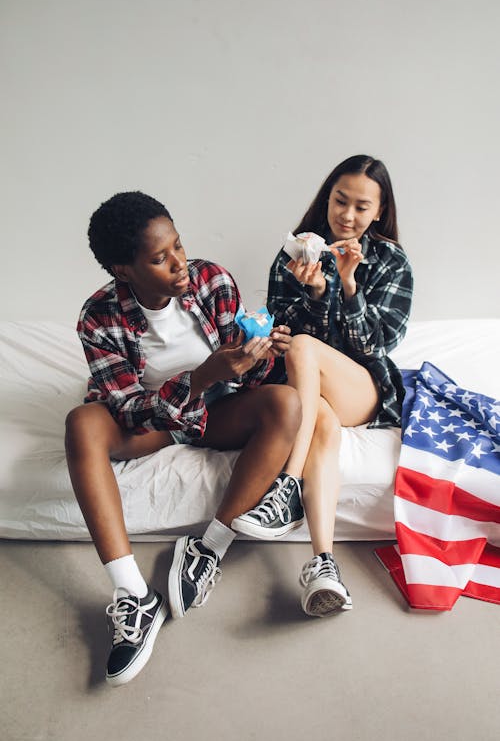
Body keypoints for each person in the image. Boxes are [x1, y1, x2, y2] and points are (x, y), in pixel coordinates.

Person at [65, 191, 301, 686]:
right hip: (149, 424)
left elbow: (248, 386)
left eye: (178, 246)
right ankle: (133, 596)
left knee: (286, 404)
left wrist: (259, 357)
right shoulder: (98, 316)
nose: (179, 264)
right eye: (159, 258)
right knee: (81, 422)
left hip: (213, 413)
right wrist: (198, 378)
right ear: (122, 269)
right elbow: (128, 409)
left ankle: (208, 549)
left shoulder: (211, 279)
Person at [231, 155, 413, 617]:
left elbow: (375, 345)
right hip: (310, 388)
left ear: (379, 210)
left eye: (361, 206)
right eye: (339, 201)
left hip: (362, 388)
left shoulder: (391, 261)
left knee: (309, 352)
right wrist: (312, 293)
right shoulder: (295, 253)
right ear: (326, 198)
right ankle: (323, 563)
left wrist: (348, 285)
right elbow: (282, 339)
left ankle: (288, 483)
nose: (347, 215)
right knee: (322, 425)